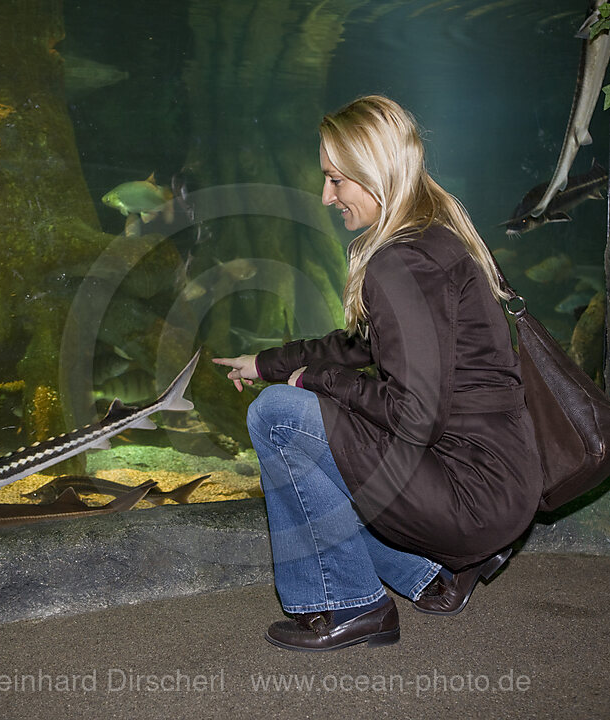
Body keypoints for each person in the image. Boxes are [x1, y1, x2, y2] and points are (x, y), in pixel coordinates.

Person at [212, 95, 544, 652]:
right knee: (318, 422)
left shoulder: (400, 262)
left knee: (278, 417)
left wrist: (306, 383)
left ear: (373, 173)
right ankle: (428, 573)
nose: (326, 196)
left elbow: (415, 417)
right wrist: (269, 363)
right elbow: (359, 346)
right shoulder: (434, 234)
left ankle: (348, 603)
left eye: (336, 180)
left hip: (472, 492)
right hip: (498, 480)